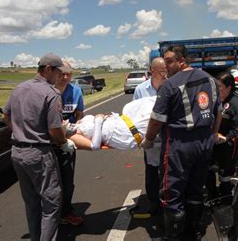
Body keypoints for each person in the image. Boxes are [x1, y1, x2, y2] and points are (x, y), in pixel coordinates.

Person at [141, 44, 222, 240]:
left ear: (182, 60)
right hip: (204, 142)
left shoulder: (169, 85)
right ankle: (192, 232)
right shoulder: (210, 80)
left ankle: (173, 237)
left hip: (179, 144)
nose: (166, 66)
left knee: (171, 193)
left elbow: (157, 119)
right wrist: (213, 134)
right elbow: (217, 111)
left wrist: (149, 139)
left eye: (169, 61)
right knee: (195, 188)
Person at [2, 53, 76, 241]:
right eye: (59, 73)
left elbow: (5, 117)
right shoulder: (51, 93)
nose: (61, 77)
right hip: (38, 154)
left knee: (31, 202)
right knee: (52, 202)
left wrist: (22, 132)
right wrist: (63, 142)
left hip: (17, 152)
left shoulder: (18, 88)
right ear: (48, 69)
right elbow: (54, 129)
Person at [130, 57, 167, 219]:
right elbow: (134, 113)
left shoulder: (172, 86)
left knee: (167, 171)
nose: (166, 74)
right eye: (162, 71)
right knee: (151, 171)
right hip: (150, 138)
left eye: (167, 70)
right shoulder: (141, 90)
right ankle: (153, 203)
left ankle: (167, 201)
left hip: (168, 137)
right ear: (153, 71)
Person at [205, 71, 238, 201]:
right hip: (212, 144)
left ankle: (225, 200)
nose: (217, 90)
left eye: (219, 87)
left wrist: (226, 138)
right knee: (208, 172)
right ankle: (212, 197)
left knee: (225, 176)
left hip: (227, 147)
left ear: (229, 88)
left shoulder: (235, 104)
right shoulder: (214, 100)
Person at [54, 61, 85, 226]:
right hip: (49, 143)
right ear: (56, 73)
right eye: (62, 74)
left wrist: (79, 131)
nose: (65, 77)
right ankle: (50, 214)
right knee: (51, 181)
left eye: (69, 74)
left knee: (67, 180)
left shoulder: (76, 91)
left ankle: (66, 212)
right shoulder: (48, 91)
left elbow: (79, 114)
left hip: (68, 142)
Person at [65, 96, 157, 151]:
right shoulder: (72, 136)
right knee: (155, 113)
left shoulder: (76, 124)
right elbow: (94, 146)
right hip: (121, 134)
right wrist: (98, 121)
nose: (62, 120)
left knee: (149, 103)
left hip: (121, 122)